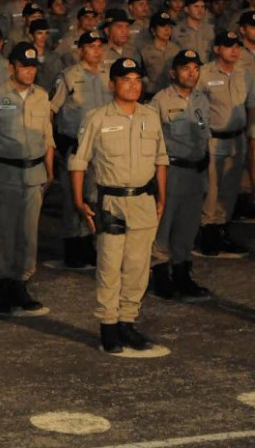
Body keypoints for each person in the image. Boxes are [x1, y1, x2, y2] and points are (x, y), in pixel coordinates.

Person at [69, 58, 168, 353]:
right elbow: (79, 161)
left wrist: (162, 198)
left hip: (143, 200)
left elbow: (160, 159)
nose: (133, 85)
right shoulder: (97, 118)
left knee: (138, 267)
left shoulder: (150, 116)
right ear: (112, 85)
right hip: (111, 200)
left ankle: (128, 322)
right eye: (126, 80)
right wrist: (78, 200)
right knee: (110, 265)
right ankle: (109, 326)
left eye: (138, 79)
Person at [0, 42, 54, 314]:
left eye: (33, 67)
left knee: (29, 233)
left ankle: (22, 283)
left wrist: (49, 171)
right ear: (11, 67)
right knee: (7, 232)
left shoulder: (43, 96)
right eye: (24, 66)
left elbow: (48, 137)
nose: (30, 72)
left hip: (34, 173)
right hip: (5, 172)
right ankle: (5, 285)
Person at [149, 50, 211, 299]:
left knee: (188, 225)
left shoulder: (201, 100)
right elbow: (152, 142)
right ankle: (161, 274)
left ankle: (182, 273)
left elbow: (206, 136)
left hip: (196, 171)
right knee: (165, 225)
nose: (192, 73)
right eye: (186, 68)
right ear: (173, 72)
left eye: (196, 68)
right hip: (171, 171)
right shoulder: (160, 101)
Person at [51, 31, 112, 268]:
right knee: (72, 197)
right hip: (75, 145)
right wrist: (56, 141)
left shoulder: (109, 75)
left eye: (99, 46)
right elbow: (52, 109)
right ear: (80, 51)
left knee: (95, 196)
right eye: (91, 46)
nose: (96, 50)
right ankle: (72, 244)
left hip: (102, 147)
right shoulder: (69, 76)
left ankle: (90, 243)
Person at [195, 30, 254, 255]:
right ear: (217, 49)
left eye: (237, 46)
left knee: (229, 188)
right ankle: (208, 232)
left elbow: (251, 105)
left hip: (237, 138)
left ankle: (222, 228)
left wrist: (248, 133)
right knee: (211, 188)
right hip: (213, 139)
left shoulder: (244, 73)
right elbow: (196, 106)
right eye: (229, 46)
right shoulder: (205, 74)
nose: (234, 50)